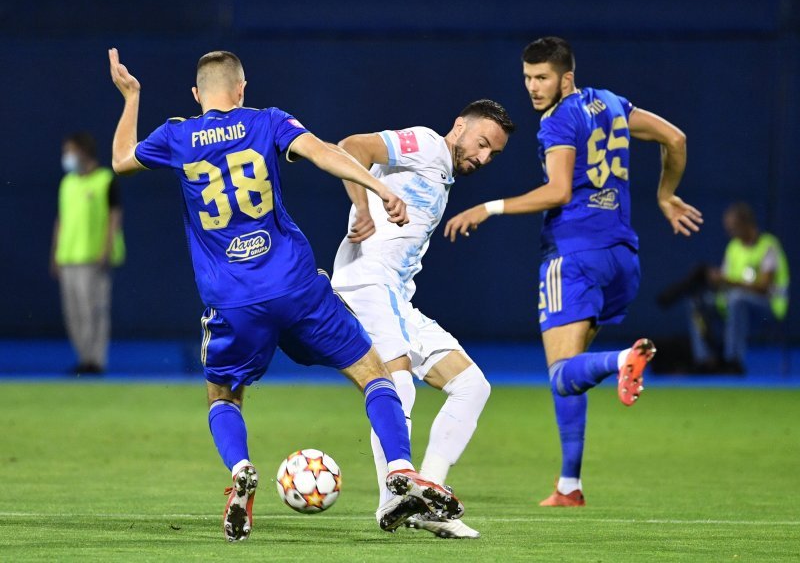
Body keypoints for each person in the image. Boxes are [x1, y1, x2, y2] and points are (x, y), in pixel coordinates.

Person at [108, 48, 465, 542]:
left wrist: (132, 96)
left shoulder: (177, 135)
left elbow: (122, 160)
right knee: (373, 374)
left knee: (224, 396)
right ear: (241, 89)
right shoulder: (268, 121)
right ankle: (400, 468)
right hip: (296, 287)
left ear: (196, 95)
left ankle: (239, 472)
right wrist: (378, 190)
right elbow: (322, 150)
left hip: (231, 299)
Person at [444, 37, 703, 506]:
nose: (533, 87)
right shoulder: (610, 103)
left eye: (542, 77)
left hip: (574, 255)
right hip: (622, 256)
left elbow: (559, 191)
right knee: (572, 372)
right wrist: (666, 195)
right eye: (527, 77)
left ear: (566, 77)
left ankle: (624, 360)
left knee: (563, 373)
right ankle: (569, 486)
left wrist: (489, 207)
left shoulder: (558, 121)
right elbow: (676, 138)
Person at [331, 100, 514, 538]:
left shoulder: (442, 174)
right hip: (367, 282)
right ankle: (392, 500)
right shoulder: (428, 145)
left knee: (472, 386)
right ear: (459, 127)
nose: (484, 158)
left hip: (396, 296)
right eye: (482, 143)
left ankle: (425, 498)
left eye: (494, 154)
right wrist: (361, 206)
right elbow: (351, 146)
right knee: (398, 386)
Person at [50, 132, 125, 375]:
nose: (66, 157)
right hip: (68, 256)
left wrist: (106, 248)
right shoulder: (67, 183)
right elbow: (61, 219)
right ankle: (83, 358)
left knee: (94, 310)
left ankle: (96, 360)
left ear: (83, 152)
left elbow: (115, 216)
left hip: (93, 258)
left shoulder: (105, 180)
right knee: (73, 313)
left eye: (69, 151)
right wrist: (55, 252)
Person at [685, 202, 789, 373]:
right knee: (697, 302)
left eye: (733, 228)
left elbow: (763, 287)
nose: (730, 232)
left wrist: (729, 282)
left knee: (737, 299)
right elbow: (727, 280)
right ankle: (705, 360)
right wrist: (716, 280)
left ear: (746, 224)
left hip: (767, 306)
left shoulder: (768, 245)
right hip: (733, 302)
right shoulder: (733, 246)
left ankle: (733, 361)